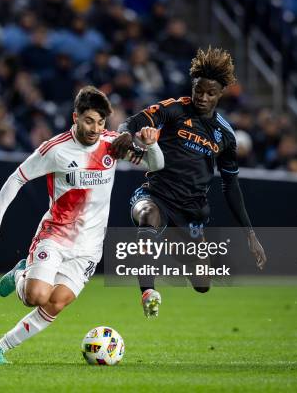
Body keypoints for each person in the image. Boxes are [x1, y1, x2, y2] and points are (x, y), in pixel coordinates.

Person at [0, 86, 165, 364]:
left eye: (101, 122)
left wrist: (152, 144)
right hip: (56, 236)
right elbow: (17, 178)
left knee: (56, 303)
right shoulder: (55, 149)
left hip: (89, 248)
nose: (95, 128)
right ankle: (20, 275)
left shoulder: (112, 144)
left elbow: (157, 164)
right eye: (89, 120)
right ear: (75, 117)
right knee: (36, 296)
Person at [110, 47, 267, 318]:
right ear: (192, 86)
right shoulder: (174, 109)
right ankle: (148, 292)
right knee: (147, 216)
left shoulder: (225, 135)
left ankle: (174, 245)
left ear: (221, 94)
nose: (203, 98)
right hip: (156, 194)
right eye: (199, 91)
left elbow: (231, 186)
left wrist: (250, 234)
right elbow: (133, 122)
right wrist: (124, 133)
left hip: (191, 210)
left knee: (202, 285)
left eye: (211, 93)